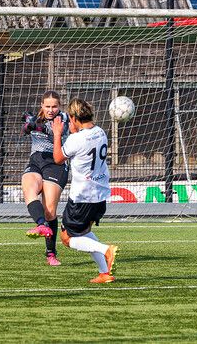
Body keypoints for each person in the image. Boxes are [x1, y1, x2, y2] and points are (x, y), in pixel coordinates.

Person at [51, 98, 118, 284]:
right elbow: (86, 142)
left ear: (73, 118)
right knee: (84, 233)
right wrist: (75, 131)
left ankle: (106, 250)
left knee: (67, 238)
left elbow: (57, 158)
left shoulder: (76, 139)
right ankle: (105, 273)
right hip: (100, 196)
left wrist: (57, 134)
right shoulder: (101, 132)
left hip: (82, 198)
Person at [21, 90, 69, 266]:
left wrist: (36, 126)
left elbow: (52, 132)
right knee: (29, 189)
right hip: (36, 160)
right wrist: (28, 124)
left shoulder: (63, 119)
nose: (51, 110)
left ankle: (51, 253)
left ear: (59, 106)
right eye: (47, 106)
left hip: (55, 163)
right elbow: (25, 129)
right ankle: (41, 225)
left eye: (54, 106)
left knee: (49, 209)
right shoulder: (36, 116)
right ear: (42, 105)